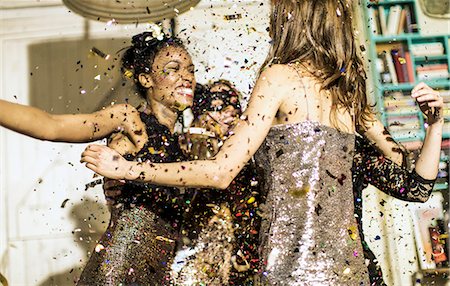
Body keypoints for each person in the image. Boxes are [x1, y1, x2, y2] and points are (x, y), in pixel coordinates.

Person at [80, 1, 444, 284]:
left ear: (292, 19)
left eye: (277, 12)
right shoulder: (349, 93)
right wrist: (434, 126)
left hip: (291, 271)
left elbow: (220, 171)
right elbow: (416, 186)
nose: (271, 22)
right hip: (353, 273)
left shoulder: (278, 78)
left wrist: (126, 168)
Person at [0, 28, 197, 284]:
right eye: (173, 68)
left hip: (159, 273)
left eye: (191, 70)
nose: (186, 77)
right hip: (121, 269)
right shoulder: (130, 119)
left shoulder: (185, 145)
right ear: (146, 79)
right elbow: (51, 126)